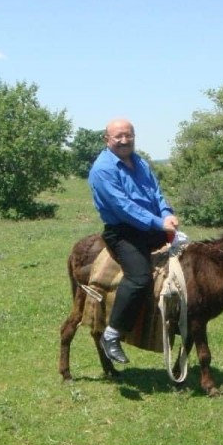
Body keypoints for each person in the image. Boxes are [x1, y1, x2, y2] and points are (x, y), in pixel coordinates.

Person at [88, 118, 179, 364]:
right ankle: (112, 333)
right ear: (107, 139)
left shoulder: (139, 162)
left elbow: (156, 193)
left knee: (189, 258)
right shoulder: (103, 169)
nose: (124, 140)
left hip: (151, 225)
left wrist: (167, 213)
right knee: (139, 278)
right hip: (123, 231)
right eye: (118, 136)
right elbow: (123, 207)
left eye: (128, 135)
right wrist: (159, 223)